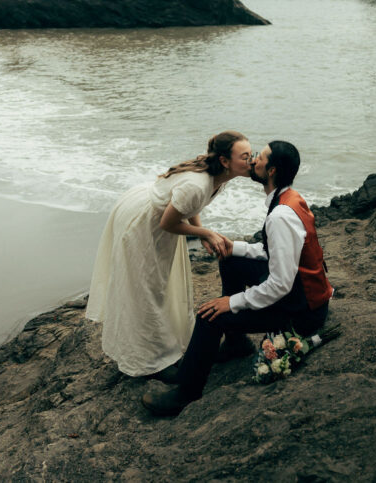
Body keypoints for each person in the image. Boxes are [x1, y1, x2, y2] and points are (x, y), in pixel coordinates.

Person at [142, 140, 333, 416]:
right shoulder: (288, 197)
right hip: (300, 294)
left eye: (260, 157)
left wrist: (232, 302)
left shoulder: (280, 216)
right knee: (229, 260)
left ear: (271, 171)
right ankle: (236, 342)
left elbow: (280, 283)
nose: (254, 160)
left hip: (301, 311)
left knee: (210, 316)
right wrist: (235, 247)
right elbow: (273, 254)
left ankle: (186, 393)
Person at [85, 131, 252, 379]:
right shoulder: (197, 184)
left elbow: (192, 206)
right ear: (225, 161)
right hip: (143, 223)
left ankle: (163, 349)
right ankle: (150, 363)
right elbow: (168, 223)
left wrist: (203, 233)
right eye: (245, 156)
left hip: (153, 213)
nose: (252, 161)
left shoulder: (218, 176)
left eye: (252, 155)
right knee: (146, 292)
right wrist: (204, 232)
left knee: (159, 288)